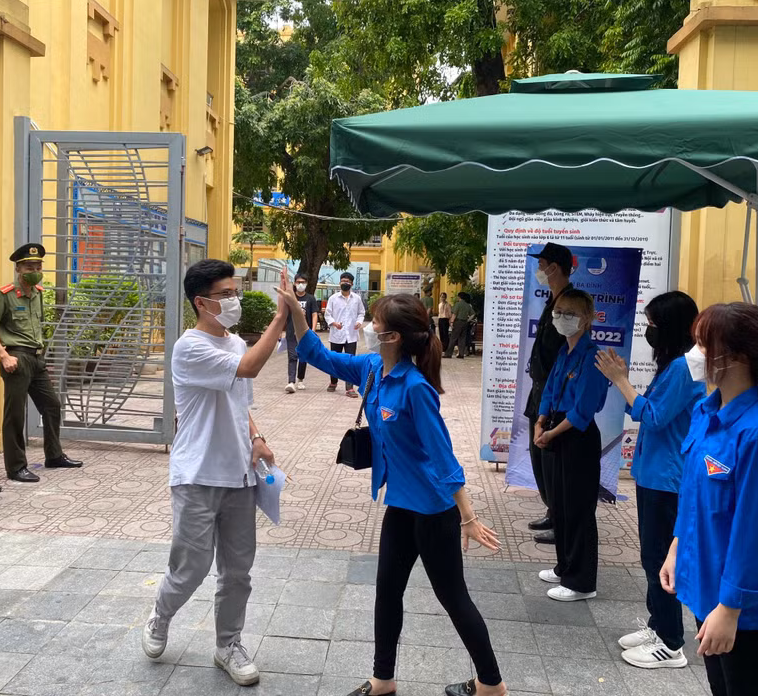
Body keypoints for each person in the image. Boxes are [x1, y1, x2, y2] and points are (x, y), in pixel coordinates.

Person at [281, 278, 506, 696]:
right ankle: (383, 679)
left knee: (453, 598)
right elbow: (316, 353)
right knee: (387, 591)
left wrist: (468, 517)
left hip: (434, 510)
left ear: (393, 337)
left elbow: (443, 457)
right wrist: (295, 308)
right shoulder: (371, 369)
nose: (368, 326)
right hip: (400, 503)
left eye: (375, 323)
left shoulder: (416, 388)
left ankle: (491, 684)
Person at [660, 303, 758, 696]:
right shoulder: (706, 412)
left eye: (703, 344)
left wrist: (730, 609)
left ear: (738, 357)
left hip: (744, 610)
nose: (694, 353)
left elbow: (754, 536)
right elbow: (693, 496)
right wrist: (677, 547)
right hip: (706, 588)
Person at [142, 259, 286, 687]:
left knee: (238, 571)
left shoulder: (236, 342)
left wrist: (256, 437)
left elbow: (239, 401)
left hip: (239, 476)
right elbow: (249, 368)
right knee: (191, 568)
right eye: (225, 294)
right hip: (198, 475)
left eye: (235, 291)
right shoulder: (189, 347)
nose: (234, 300)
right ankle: (160, 616)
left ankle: (228, 644)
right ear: (201, 303)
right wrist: (281, 317)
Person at [595, 291, 704, 669]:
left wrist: (621, 381)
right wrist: (622, 384)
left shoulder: (684, 369)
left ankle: (670, 643)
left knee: (659, 557)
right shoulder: (673, 365)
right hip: (654, 474)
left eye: (654, 324)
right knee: (652, 555)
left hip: (666, 479)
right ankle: (658, 624)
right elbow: (649, 410)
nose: (649, 330)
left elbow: (655, 416)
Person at [0, 243, 82, 482]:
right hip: (16, 357)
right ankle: (16, 467)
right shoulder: (4, 295)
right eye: (29, 267)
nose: (34, 270)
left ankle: (54, 455)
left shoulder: (37, 293)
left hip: (36, 358)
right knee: (15, 414)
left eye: (38, 266)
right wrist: (4, 356)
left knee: (52, 405)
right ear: (18, 268)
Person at [534, 288, 607, 602]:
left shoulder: (593, 357)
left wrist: (551, 434)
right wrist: (540, 422)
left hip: (577, 436)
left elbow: (582, 411)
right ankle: (564, 566)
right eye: (558, 312)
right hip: (555, 429)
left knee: (578, 509)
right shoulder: (564, 352)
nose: (561, 318)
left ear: (587, 318)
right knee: (560, 505)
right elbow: (550, 391)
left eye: (570, 313)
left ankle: (581, 582)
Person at [524, 242, 574, 545]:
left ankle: (562, 521)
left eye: (541, 264)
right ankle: (553, 511)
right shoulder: (551, 299)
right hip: (540, 391)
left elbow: (569, 351)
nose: (539, 270)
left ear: (554, 267)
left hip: (557, 393)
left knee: (555, 462)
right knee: (540, 459)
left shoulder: (570, 303)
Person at [323, 271, 365, 397]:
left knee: (350, 362)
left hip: (351, 335)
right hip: (337, 335)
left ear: (351, 284)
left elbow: (361, 313)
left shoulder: (357, 298)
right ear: (339, 283)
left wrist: (359, 322)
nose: (345, 283)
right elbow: (327, 314)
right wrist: (334, 323)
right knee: (334, 360)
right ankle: (333, 382)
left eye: (347, 281)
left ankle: (349, 388)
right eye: (343, 281)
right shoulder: (333, 298)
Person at [283, 272, 319, 393]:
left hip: (305, 332)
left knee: (303, 356)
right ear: (294, 283)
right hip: (291, 331)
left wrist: (313, 330)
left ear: (306, 284)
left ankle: (300, 379)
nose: (300, 284)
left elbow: (314, 314)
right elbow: (283, 314)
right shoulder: (290, 297)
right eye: (298, 282)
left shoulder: (310, 298)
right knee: (292, 356)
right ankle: (291, 381)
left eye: (303, 282)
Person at [445, 292, 475, 359]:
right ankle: (461, 354)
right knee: (462, 339)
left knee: (453, 338)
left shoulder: (458, 304)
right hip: (464, 323)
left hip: (458, 322)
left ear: (459, 297)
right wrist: (468, 320)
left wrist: (451, 322)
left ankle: (448, 354)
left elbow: (454, 314)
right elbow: (473, 314)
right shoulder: (467, 305)